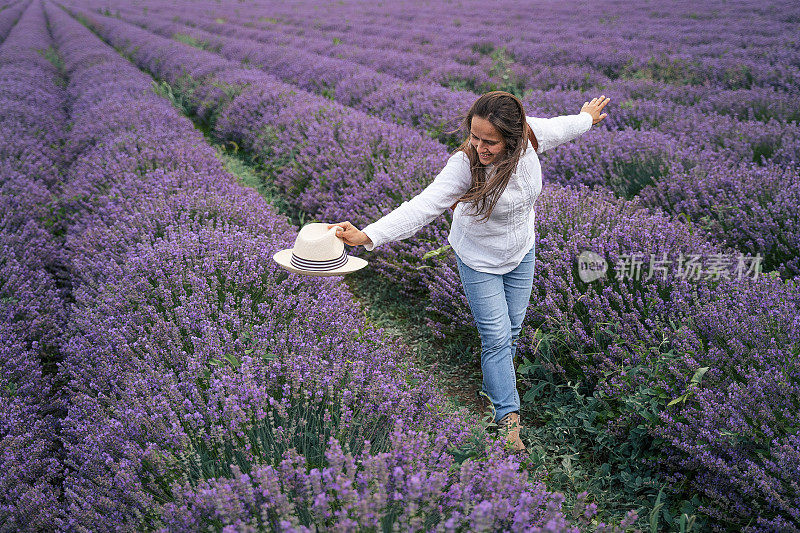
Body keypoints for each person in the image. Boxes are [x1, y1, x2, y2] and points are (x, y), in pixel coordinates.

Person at [329, 91, 610, 452]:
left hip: (521, 250)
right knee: (496, 338)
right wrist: (369, 235)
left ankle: (496, 387)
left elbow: (564, 127)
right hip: (478, 258)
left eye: (489, 141)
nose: (479, 147)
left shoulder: (532, 136)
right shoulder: (465, 165)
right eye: (475, 137)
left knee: (510, 332)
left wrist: (587, 117)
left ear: (514, 137)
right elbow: (424, 205)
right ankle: (508, 420)